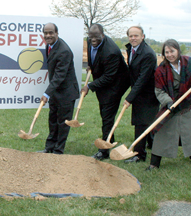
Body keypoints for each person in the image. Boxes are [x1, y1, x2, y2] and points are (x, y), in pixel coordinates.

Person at [146, 39, 191, 170]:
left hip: (188, 105)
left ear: (178, 50)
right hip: (170, 104)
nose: (169, 54)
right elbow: (159, 90)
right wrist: (168, 102)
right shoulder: (160, 70)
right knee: (162, 131)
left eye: (172, 51)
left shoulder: (189, 62)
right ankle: (154, 163)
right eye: (166, 52)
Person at [82, 24, 130, 160]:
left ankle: (104, 150)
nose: (93, 40)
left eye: (96, 37)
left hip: (117, 83)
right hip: (106, 80)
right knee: (104, 110)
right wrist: (92, 65)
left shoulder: (111, 51)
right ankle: (109, 139)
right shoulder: (89, 39)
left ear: (103, 34)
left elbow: (109, 77)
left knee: (107, 114)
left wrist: (89, 86)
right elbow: (94, 56)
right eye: (91, 36)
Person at [37, 23, 79, 154]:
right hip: (56, 92)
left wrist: (47, 93)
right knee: (53, 121)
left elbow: (59, 76)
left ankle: (58, 150)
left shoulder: (64, 51)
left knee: (63, 123)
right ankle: (49, 148)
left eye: (51, 33)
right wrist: (51, 93)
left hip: (66, 93)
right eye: (46, 33)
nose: (48, 35)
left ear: (57, 33)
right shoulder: (48, 46)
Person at [123, 26, 159, 163]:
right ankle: (152, 143)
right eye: (131, 36)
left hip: (148, 93)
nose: (133, 38)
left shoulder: (148, 54)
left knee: (141, 122)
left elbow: (142, 79)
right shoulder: (131, 49)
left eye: (136, 36)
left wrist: (129, 98)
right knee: (145, 122)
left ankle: (139, 155)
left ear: (142, 36)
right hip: (139, 91)